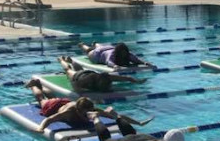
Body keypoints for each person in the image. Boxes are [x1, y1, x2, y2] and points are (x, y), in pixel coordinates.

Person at [24, 78, 153, 133]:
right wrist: (41, 128)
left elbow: (116, 116)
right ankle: (35, 85)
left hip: (65, 102)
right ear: (79, 110)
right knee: (42, 100)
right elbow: (49, 119)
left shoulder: (91, 110)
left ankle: (39, 84)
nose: (89, 114)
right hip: (54, 107)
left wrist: (139, 123)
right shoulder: (68, 113)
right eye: (86, 113)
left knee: (53, 96)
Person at [57, 56, 147, 94]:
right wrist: (86, 92)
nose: (108, 86)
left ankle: (72, 61)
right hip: (78, 76)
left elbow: (127, 78)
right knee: (68, 70)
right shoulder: (88, 82)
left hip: (89, 73)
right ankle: (61, 60)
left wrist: (138, 82)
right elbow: (75, 86)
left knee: (81, 69)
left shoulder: (109, 78)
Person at [77, 42, 154, 69]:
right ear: (118, 52)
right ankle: (82, 45)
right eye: (122, 53)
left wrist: (145, 63)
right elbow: (109, 61)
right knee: (89, 51)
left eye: (125, 53)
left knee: (100, 46)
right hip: (98, 54)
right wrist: (114, 66)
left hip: (107, 48)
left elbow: (136, 60)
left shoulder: (128, 54)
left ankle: (95, 44)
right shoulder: (112, 54)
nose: (124, 55)